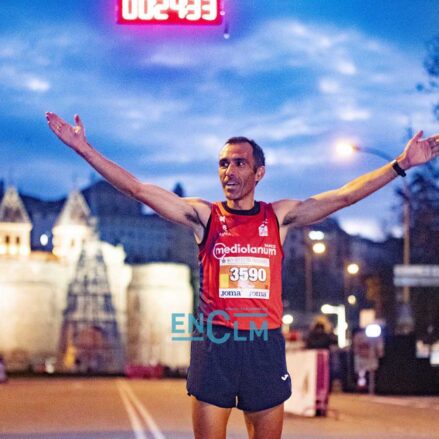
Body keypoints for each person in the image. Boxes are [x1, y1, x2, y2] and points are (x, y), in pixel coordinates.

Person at [46, 112, 439, 439]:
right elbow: (137, 189)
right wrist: (84, 149)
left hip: (264, 344)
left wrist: (400, 165)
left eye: (239, 163)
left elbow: (344, 195)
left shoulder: (279, 217)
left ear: (258, 172)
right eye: (223, 163)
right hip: (216, 344)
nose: (229, 171)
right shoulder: (204, 216)